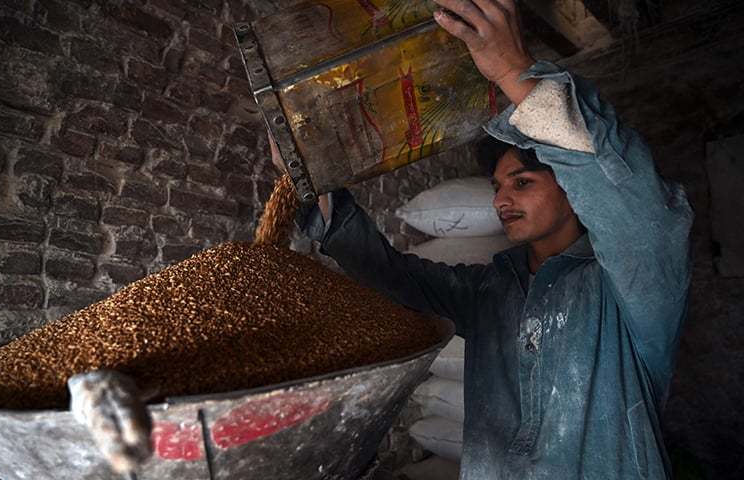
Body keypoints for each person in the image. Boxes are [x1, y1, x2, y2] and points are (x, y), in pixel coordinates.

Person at [271, 0, 694, 478]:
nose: (501, 200)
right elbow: (394, 276)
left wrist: (516, 72)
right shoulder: (493, 289)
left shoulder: (629, 287)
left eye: (523, 183)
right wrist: (317, 189)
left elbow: (640, 209)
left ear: (574, 192)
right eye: (497, 187)